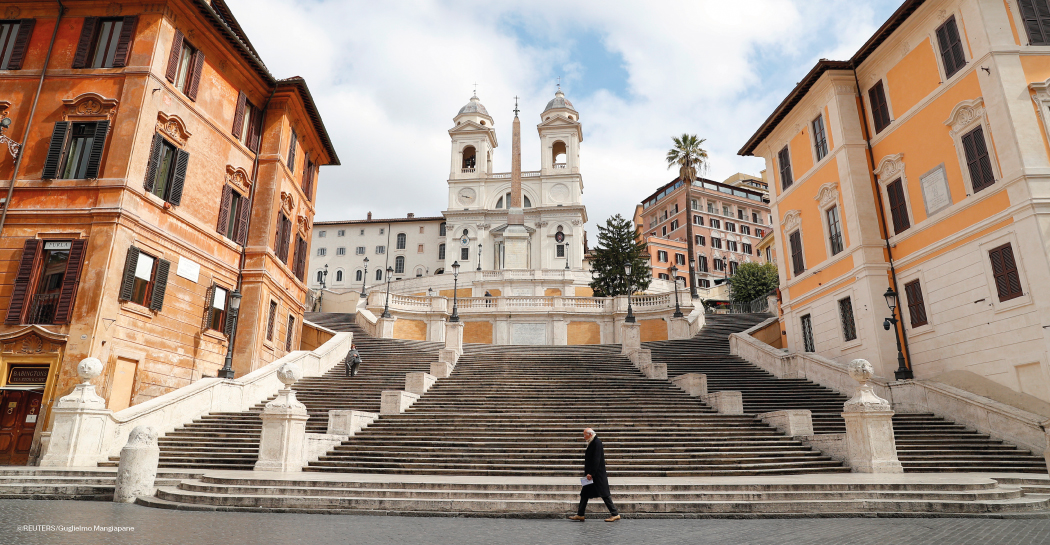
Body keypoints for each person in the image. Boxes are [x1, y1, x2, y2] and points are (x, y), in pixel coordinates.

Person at [569, 428, 619, 522]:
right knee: (584, 494)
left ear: (590, 434)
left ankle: (615, 514)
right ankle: (580, 514)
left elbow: (596, 460)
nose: (584, 437)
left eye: (585, 435)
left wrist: (591, 473)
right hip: (592, 474)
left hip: (596, 475)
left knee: (604, 494)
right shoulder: (593, 442)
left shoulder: (597, 443)